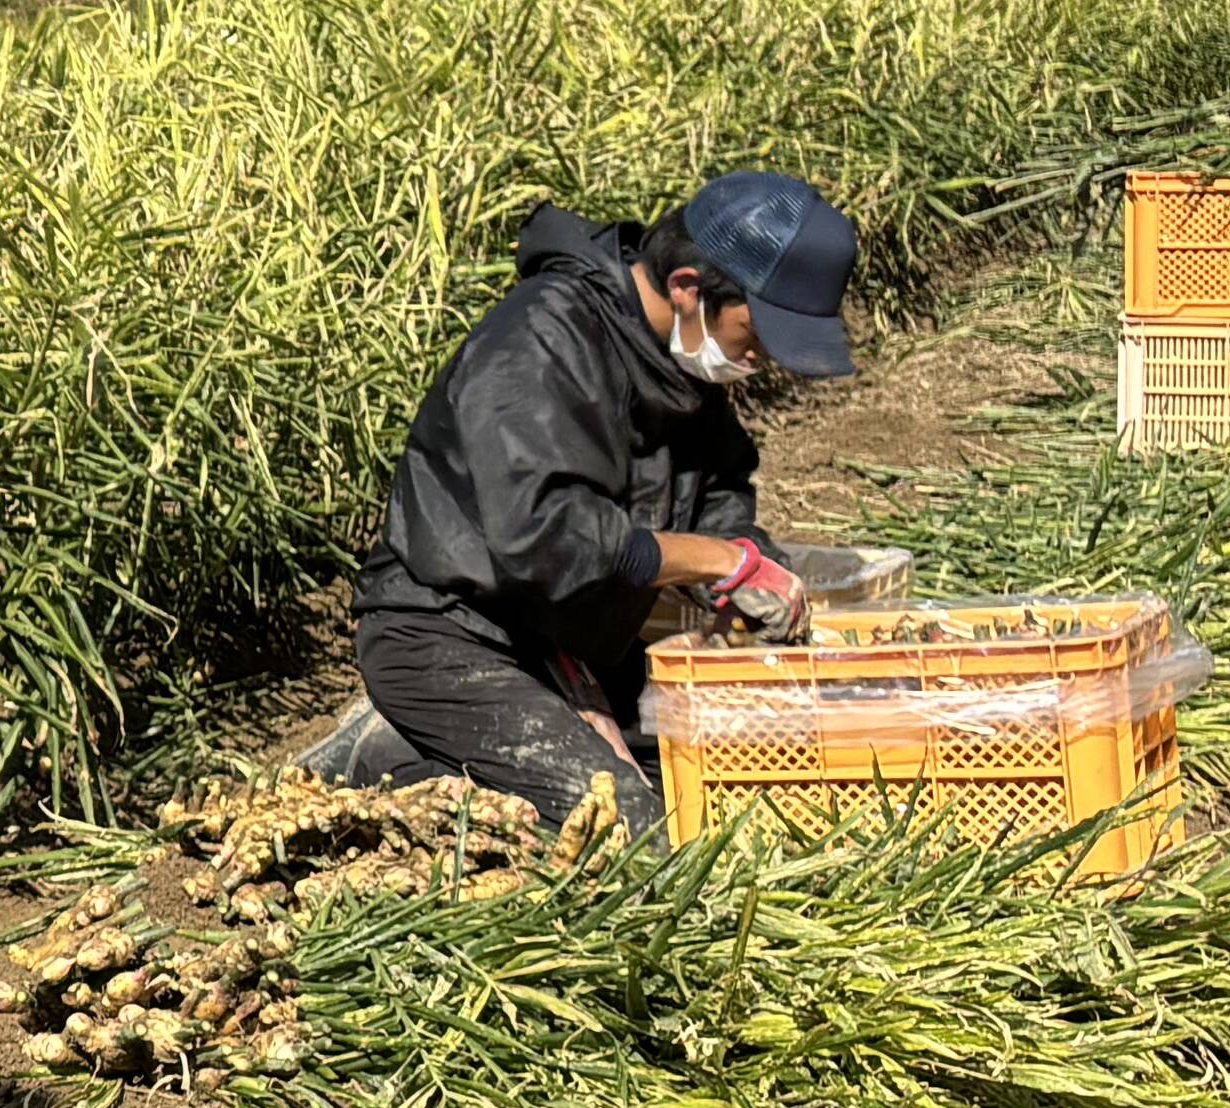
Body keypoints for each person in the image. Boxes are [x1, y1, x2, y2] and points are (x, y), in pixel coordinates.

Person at [318, 172, 865, 834]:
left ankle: (478, 746)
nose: (763, 359)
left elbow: (717, 490)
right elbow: (546, 538)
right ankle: (392, 759)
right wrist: (717, 561)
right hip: (452, 633)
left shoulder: (676, 363)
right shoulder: (538, 342)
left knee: (718, 781)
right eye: (757, 334)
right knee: (630, 833)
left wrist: (746, 568)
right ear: (687, 287)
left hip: (573, 637)